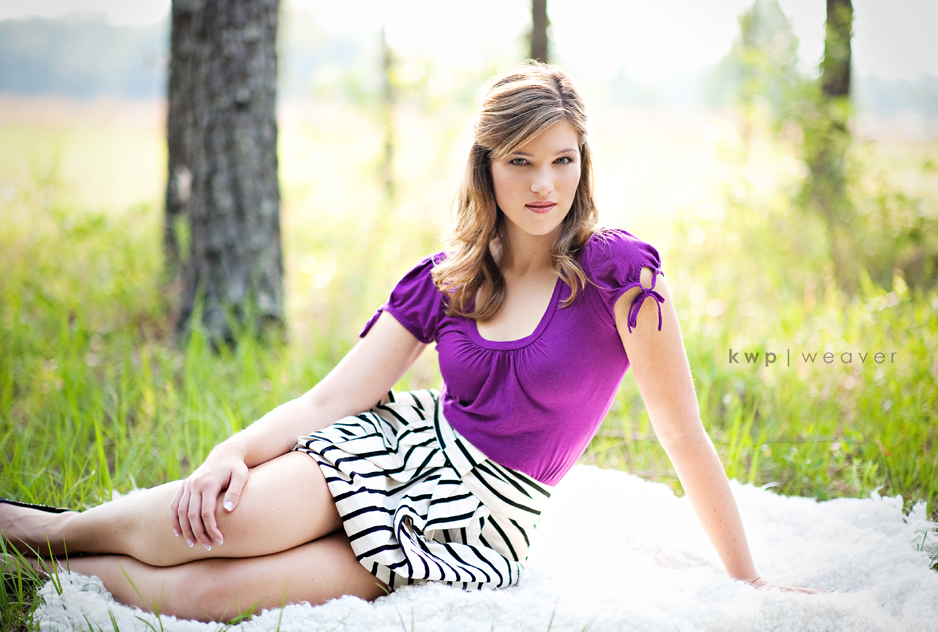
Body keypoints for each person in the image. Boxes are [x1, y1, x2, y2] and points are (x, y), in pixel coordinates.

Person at [0, 61, 813, 623]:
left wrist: (748, 580)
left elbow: (683, 434)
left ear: (582, 162)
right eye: (520, 161)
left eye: (562, 161)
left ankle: (29, 570)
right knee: (212, 522)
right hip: (398, 450)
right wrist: (229, 451)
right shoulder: (449, 277)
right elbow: (331, 397)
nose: (544, 185)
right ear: (486, 167)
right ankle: (32, 533)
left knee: (208, 596)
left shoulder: (619, 275)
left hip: (476, 522)